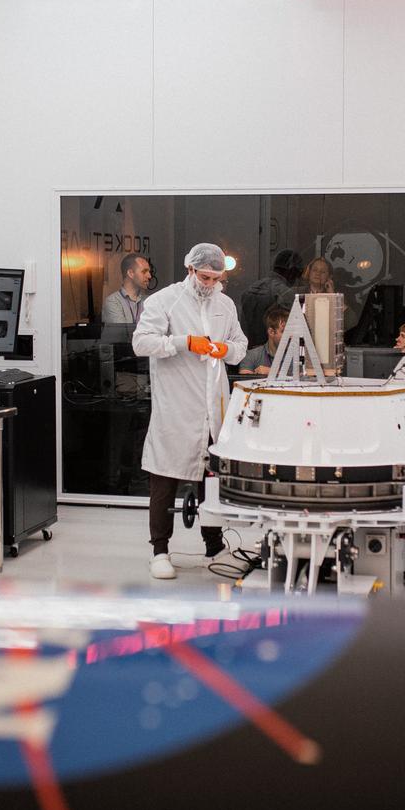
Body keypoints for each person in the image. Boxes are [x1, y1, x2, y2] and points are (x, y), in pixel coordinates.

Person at [132, 243, 248, 579]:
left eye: (215, 278)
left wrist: (225, 349)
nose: (209, 283)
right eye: (205, 276)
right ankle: (159, 550)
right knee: (164, 477)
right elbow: (141, 343)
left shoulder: (224, 305)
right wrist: (183, 342)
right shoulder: (164, 301)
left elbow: (240, 348)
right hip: (175, 408)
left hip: (214, 407)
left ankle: (214, 546)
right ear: (190, 269)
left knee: (209, 480)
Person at [240, 249, 303, 347]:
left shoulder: (250, 288)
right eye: (297, 275)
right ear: (292, 272)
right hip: (272, 353)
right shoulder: (285, 293)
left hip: (247, 350)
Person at [102, 254, 152, 326]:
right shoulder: (112, 302)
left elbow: (156, 330)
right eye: (144, 271)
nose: (149, 276)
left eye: (149, 272)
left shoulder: (149, 301)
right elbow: (122, 334)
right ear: (131, 273)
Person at [239, 304, 289, 375]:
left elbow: (305, 378)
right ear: (271, 332)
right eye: (285, 331)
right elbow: (242, 383)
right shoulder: (252, 355)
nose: (290, 336)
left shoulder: (297, 356)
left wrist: (273, 372)